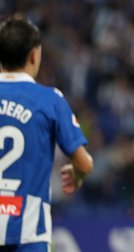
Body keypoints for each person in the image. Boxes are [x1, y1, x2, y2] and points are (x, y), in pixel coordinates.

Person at [0, 14, 93, 252]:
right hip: (28, 234)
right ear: (34, 55)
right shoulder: (49, 100)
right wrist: (77, 176)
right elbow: (83, 163)